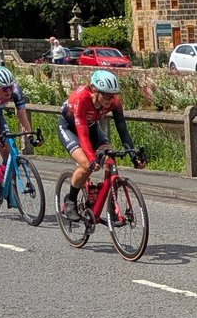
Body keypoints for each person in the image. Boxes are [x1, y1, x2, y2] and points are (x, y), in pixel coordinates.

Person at [57, 69, 145, 220]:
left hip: (90, 127)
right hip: (70, 128)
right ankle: (70, 199)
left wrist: (133, 155)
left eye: (113, 95)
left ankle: (112, 203)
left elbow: (122, 130)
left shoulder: (114, 102)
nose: (110, 100)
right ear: (94, 91)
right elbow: (82, 135)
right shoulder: (81, 99)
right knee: (85, 165)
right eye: (106, 95)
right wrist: (91, 159)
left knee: (109, 158)